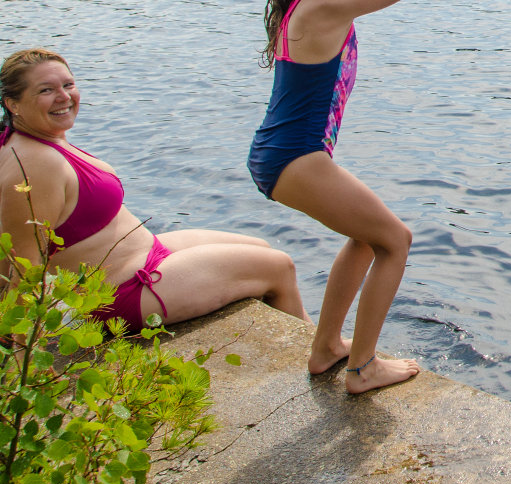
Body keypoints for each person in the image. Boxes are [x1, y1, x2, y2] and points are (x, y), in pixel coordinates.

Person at [248, 0, 450, 394]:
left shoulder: (324, 1)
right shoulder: (324, 9)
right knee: (394, 240)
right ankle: (361, 368)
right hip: (295, 155)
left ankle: (327, 348)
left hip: (290, 153)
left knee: (365, 239)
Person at [0, 48, 310, 333]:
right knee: (278, 267)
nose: (63, 97)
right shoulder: (33, 165)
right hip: (123, 293)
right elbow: (22, 266)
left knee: (261, 248)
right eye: (46, 90)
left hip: (145, 255)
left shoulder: (43, 138)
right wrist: (18, 350)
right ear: (12, 104)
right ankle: (321, 352)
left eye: (67, 85)